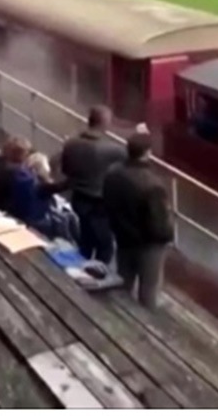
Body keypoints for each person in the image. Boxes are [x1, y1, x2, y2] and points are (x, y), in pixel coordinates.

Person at [102, 132, 174, 307]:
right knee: (149, 289)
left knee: (123, 280)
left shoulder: (112, 173)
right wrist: (167, 238)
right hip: (148, 245)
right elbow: (158, 225)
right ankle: (148, 324)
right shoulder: (153, 185)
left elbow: (107, 202)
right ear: (148, 152)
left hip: (122, 237)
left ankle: (121, 314)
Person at [58, 105, 126, 264]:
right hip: (98, 204)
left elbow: (65, 170)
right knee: (105, 246)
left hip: (77, 198)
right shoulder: (111, 149)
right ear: (104, 123)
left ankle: (81, 271)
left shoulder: (70, 144)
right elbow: (133, 157)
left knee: (86, 240)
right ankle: (97, 276)